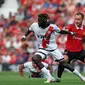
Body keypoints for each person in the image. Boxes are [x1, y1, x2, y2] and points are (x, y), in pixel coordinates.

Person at [21, 13, 85, 83]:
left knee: (64, 64)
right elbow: (29, 30)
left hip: (54, 49)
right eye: (46, 23)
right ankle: (49, 76)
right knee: (35, 58)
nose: (48, 24)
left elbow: (61, 31)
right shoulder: (34, 26)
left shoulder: (52, 27)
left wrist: (71, 33)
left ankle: (81, 77)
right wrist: (25, 36)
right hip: (43, 49)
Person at [56, 12, 85, 82]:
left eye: (79, 19)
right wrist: (69, 32)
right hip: (69, 51)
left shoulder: (84, 29)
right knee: (62, 61)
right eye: (76, 19)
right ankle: (58, 78)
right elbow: (62, 31)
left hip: (80, 51)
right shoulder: (70, 26)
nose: (77, 21)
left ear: (82, 19)